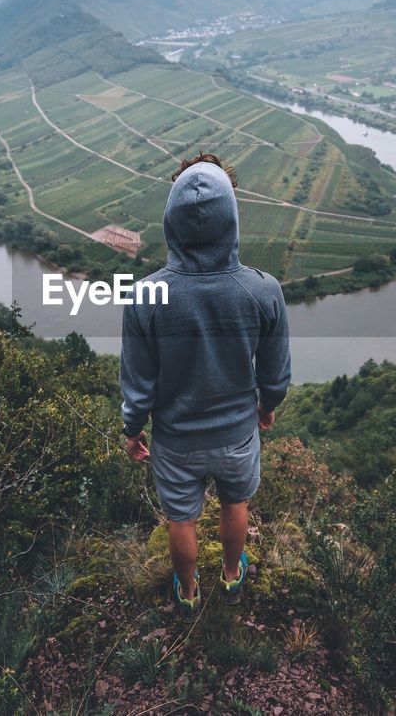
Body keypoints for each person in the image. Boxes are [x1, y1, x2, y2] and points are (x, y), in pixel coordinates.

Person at [120, 153, 292, 616]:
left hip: (175, 439)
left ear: (171, 220)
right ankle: (233, 576)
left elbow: (138, 384)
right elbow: (275, 374)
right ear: (232, 219)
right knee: (236, 502)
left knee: (181, 518)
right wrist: (268, 406)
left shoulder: (145, 296)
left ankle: (188, 592)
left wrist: (133, 428)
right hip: (236, 432)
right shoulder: (262, 290)